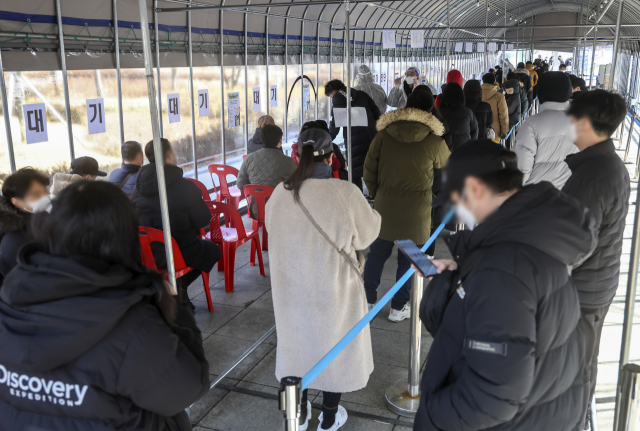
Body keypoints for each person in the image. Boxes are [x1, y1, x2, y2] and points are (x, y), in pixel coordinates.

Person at [414, 140, 596, 431]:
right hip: (542, 412)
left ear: (474, 189)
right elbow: (488, 326)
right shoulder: (532, 236)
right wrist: (458, 277)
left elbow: (490, 399)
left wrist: (429, 414)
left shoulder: (504, 271)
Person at [0, 181, 209, 430]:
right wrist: (178, 304)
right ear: (124, 234)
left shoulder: (10, 298)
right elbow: (185, 390)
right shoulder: (131, 321)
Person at [266, 128, 381, 431]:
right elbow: (369, 233)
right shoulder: (345, 192)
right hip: (334, 291)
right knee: (335, 353)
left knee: (295, 354)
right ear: (332, 157)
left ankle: (296, 417)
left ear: (297, 155)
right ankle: (328, 418)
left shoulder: (279, 193)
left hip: (291, 291)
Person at [562, 90, 630, 428]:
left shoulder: (593, 177)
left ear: (585, 124)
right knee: (583, 360)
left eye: (572, 119)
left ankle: (572, 422)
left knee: (576, 366)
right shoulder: (607, 164)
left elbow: (572, 244)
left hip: (582, 290)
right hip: (597, 282)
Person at [363, 90, 449, 322]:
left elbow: (368, 169)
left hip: (384, 208)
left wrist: (377, 193)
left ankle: (367, 301)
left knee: (377, 255)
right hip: (418, 212)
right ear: (431, 111)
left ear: (405, 107)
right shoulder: (435, 141)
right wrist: (432, 199)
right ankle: (398, 308)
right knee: (409, 260)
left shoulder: (383, 135)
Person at [131, 139, 221, 297]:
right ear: (168, 156)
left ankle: (173, 291)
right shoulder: (185, 186)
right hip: (179, 251)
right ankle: (178, 289)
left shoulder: (137, 190)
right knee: (213, 250)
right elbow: (202, 219)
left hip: (147, 254)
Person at [512, 72, 577, 188]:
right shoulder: (581, 124)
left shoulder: (531, 125)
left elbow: (521, 168)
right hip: (571, 195)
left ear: (541, 91)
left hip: (538, 196)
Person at [326, 79, 380, 192]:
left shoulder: (338, 102)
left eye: (331, 95)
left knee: (354, 170)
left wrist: (326, 140)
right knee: (372, 166)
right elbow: (377, 113)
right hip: (371, 135)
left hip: (353, 140)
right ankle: (373, 193)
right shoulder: (362, 94)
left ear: (334, 91)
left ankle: (358, 196)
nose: (332, 98)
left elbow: (334, 126)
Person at [0, 168, 50, 284]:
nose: (45, 197)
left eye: (45, 191)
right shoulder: (16, 238)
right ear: (15, 201)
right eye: (36, 194)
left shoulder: (39, 221)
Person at [237, 124, 296, 217]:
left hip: (256, 210)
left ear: (262, 139)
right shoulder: (289, 162)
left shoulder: (250, 158)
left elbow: (240, 184)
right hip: (279, 212)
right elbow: (296, 188)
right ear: (280, 140)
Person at [438, 82, 478, 150]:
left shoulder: (438, 113)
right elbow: (475, 131)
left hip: (442, 152)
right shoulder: (468, 112)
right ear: (462, 96)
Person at [481, 73, 509, 141]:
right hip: (495, 132)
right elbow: (503, 116)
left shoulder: (478, 94)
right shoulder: (499, 97)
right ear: (495, 81)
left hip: (480, 131)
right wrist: (504, 132)